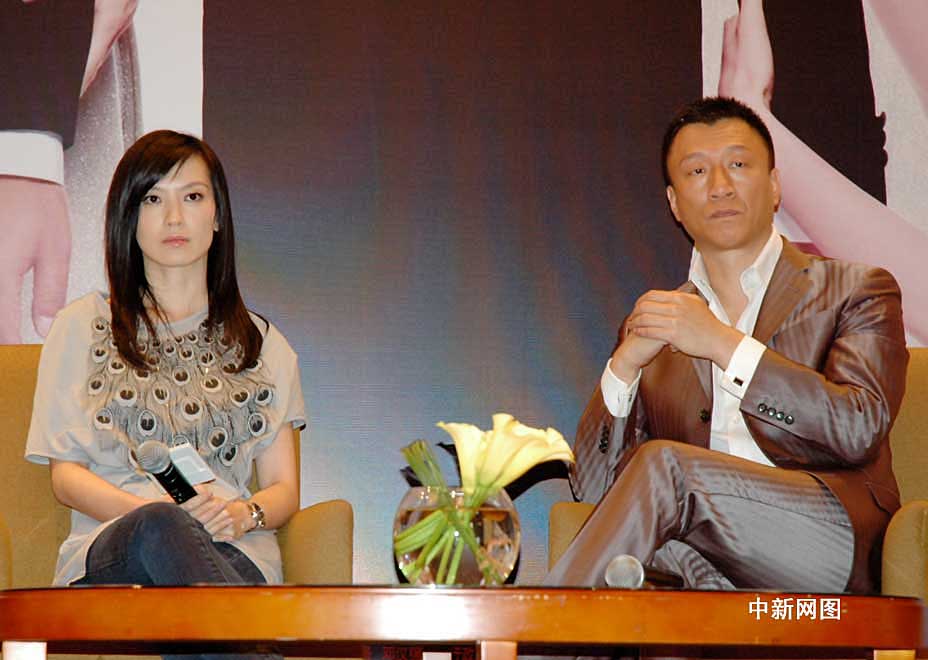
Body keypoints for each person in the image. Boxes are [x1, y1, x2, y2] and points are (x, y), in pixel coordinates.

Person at [545, 97, 907, 594]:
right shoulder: (658, 323)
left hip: (829, 544)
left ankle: (535, 632)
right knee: (650, 556)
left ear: (774, 186)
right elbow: (596, 493)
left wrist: (722, 343)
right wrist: (624, 366)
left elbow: (858, 428)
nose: (719, 186)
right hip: (708, 560)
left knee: (667, 470)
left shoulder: (854, 289)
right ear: (674, 203)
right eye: (697, 171)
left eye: (738, 165)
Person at [24, 131, 304, 607]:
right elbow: (66, 477)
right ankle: (246, 635)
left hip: (231, 552)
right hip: (120, 548)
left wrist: (243, 515)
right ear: (128, 216)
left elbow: (284, 488)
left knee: (195, 557)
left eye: (192, 197)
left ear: (217, 215)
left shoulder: (261, 343)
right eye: (153, 199)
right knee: (160, 525)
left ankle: (230, 631)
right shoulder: (82, 326)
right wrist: (153, 512)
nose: (174, 217)